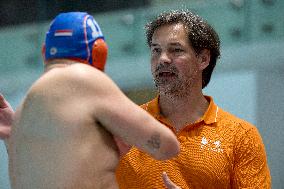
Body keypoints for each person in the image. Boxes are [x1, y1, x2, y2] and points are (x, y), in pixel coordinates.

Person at [6, 12, 180, 189]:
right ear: (99, 52)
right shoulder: (84, 79)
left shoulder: (23, 107)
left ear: (45, 53)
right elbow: (167, 146)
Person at [116, 10, 271, 188]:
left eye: (176, 50)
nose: (163, 59)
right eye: (156, 50)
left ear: (203, 59)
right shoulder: (124, 126)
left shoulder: (241, 136)